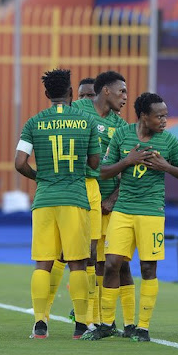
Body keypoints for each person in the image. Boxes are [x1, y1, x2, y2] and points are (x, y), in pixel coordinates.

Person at [83, 92, 178, 342]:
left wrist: (167, 167)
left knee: (148, 268)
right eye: (159, 116)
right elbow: (103, 171)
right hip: (123, 210)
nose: (164, 120)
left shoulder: (170, 142)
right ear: (144, 116)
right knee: (112, 264)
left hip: (152, 212)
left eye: (166, 115)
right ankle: (107, 324)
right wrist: (128, 160)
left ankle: (142, 327)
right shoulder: (123, 135)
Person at [47, 70, 135, 334]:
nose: (125, 97)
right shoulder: (79, 110)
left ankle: (103, 320)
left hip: (107, 201)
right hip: (76, 193)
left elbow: (126, 168)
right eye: (122, 91)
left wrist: (113, 197)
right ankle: (59, 317)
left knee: (113, 262)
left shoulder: (121, 126)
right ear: (105, 91)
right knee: (73, 255)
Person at [15, 68, 100, 340]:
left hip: (45, 199)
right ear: (71, 93)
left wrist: (39, 177)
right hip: (75, 197)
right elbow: (95, 164)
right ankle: (80, 326)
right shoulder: (86, 121)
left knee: (43, 263)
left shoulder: (33, 122)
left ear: (46, 94)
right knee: (77, 263)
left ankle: (40, 323)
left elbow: (19, 163)